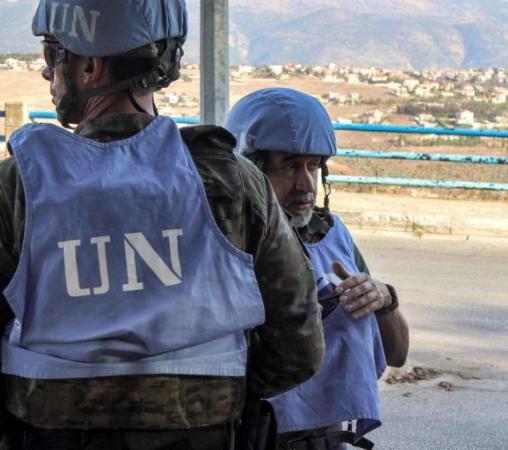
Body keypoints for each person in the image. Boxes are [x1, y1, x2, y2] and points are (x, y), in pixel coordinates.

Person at [0, 1, 324, 449]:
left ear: (90, 66)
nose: (45, 73)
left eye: (54, 55)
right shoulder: (233, 179)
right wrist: (210, 402)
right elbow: (299, 345)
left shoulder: (19, 184)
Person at [225, 88, 410, 450]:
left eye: (313, 166)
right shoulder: (225, 242)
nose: (306, 185)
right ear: (248, 169)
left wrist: (384, 299)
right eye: (288, 166)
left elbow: (398, 353)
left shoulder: (331, 236)